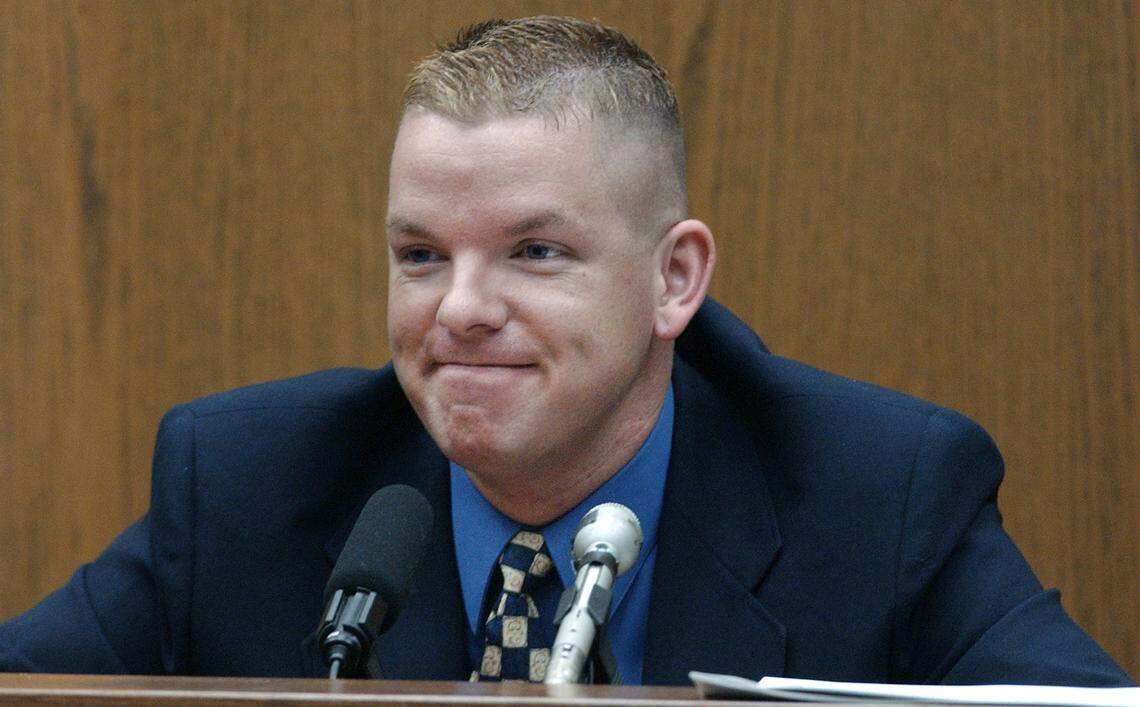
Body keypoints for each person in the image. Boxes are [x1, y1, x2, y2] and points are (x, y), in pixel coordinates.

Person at [0, 16, 1132, 687]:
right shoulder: (247, 487)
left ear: (673, 279)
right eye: (420, 254)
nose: (460, 309)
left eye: (534, 251)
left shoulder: (879, 493)